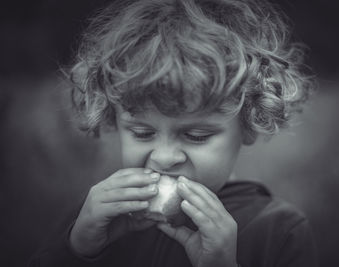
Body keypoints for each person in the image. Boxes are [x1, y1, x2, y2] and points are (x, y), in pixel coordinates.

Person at [30, 0, 317, 266]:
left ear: (249, 125)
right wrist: (77, 249)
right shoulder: (99, 216)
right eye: (142, 132)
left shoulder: (278, 231)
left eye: (195, 136)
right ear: (114, 120)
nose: (165, 158)